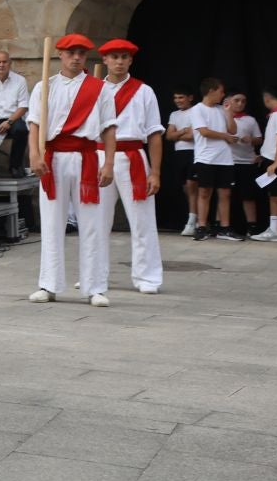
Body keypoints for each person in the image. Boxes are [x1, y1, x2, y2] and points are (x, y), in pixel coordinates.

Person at [28, 34, 118, 303]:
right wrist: (34, 154)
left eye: (81, 53)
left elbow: (109, 128)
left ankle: (94, 287)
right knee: (52, 221)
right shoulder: (44, 86)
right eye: (71, 52)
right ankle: (49, 283)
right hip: (53, 157)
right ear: (60, 54)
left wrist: (109, 163)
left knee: (91, 223)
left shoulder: (99, 89)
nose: (76, 57)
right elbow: (33, 124)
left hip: (86, 156)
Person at [97, 40, 164, 295]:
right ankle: (94, 274)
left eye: (124, 57)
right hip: (100, 156)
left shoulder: (144, 91)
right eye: (114, 57)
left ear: (131, 60)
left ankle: (147, 277)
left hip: (133, 155)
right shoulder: (94, 90)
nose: (119, 61)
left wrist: (155, 171)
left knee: (142, 220)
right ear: (104, 60)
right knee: (96, 220)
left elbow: (155, 134)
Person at [188, 79, 239, 240]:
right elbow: (203, 131)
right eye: (221, 91)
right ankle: (201, 226)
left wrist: (229, 113)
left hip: (225, 159)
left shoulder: (221, 110)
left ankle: (224, 228)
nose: (223, 95)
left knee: (225, 193)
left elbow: (233, 129)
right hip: (205, 158)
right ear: (211, 91)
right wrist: (225, 136)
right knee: (204, 192)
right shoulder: (197, 109)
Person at [227, 92, 264, 239]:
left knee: (248, 196)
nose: (240, 103)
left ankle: (252, 226)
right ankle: (223, 225)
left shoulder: (250, 120)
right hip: (227, 161)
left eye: (243, 101)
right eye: (237, 100)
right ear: (228, 101)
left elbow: (260, 140)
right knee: (225, 195)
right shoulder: (221, 117)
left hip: (246, 162)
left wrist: (252, 139)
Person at [165, 89, 198, 236]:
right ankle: (195, 218)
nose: (178, 100)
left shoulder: (196, 111)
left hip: (195, 152)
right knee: (186, 188)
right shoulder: (174, 114)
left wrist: (177, 134)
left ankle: (193, 221)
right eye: (175, 98)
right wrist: (183, 131)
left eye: (181, 97)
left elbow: (193, 136)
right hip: (180, 154)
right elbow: (168, 136)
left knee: (193, 186)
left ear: (190, 97)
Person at [256, 85, 277, 242]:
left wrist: (276, 162)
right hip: (270, 158)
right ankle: (274, 229)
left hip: (276, 160)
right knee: (273, 194)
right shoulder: (274, 115)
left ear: (266, 99)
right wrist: (262, 155)